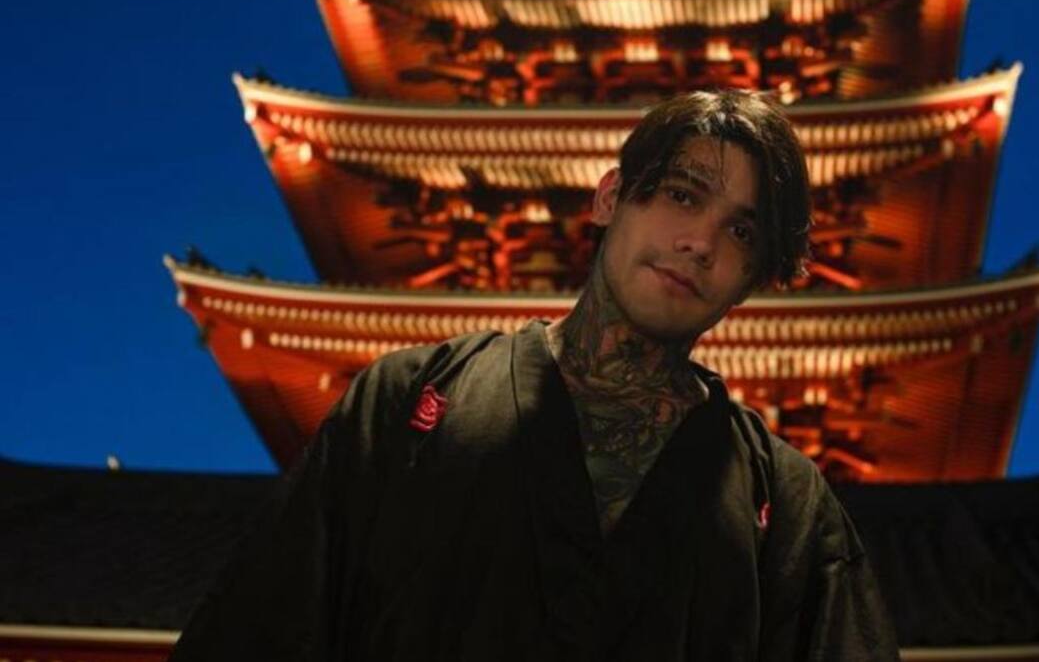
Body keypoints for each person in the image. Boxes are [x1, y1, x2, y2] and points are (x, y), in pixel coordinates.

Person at [169, 90, 898, 661]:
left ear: (752, 280)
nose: (701, 241)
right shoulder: (410, 402)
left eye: (741, 231)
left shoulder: (786, 503)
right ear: (610, 196)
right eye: (683, 193)